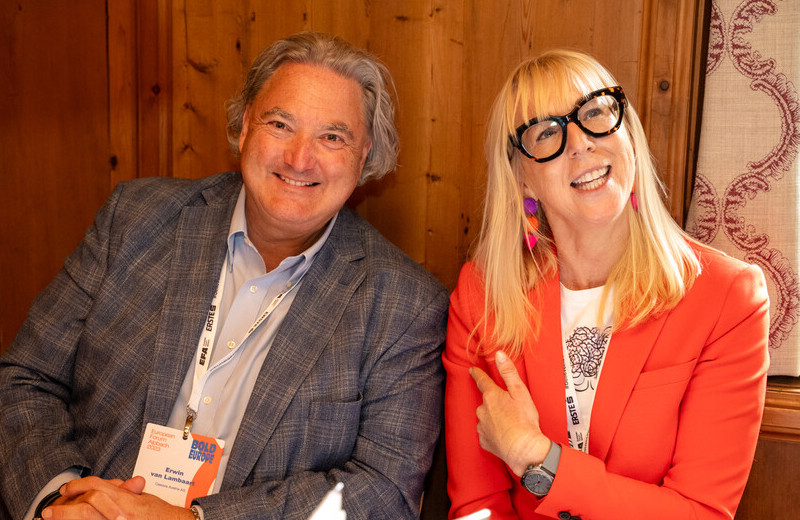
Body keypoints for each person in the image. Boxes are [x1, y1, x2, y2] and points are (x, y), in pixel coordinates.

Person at [0, 32, 449, 520]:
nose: (300, 158)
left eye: (332, 137)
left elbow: (382, 491)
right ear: (245, 128)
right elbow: (25, 379)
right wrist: (60, 500)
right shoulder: (134, 220)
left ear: (363, 157)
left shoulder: (404, 305)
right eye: (280, 124)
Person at [443, 49, 769, 520]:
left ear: (628, 134)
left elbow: (700, 512)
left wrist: (538, 459)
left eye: (595, 112)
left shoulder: (726, 297)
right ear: (523, 180)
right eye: (546, 132)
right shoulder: (482, 295)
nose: (580, 143)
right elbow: (477, 506)